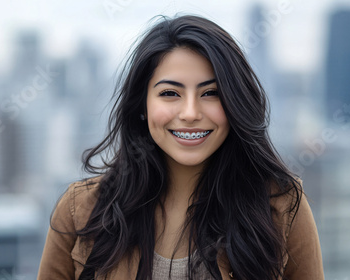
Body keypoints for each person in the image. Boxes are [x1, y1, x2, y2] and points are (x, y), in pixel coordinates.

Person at [37, 15, 324, 280]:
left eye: (211, 93)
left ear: (236, 102)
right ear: (142, 105)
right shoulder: (80, 211)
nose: (189, 112)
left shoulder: (281, 209)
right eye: (170, 93)